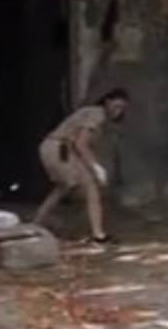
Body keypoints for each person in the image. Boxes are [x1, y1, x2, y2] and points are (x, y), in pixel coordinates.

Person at [32, 87, 129, 243]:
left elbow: (79, 145)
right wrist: (95, 167)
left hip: (54, 147)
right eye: (116, 106)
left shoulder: (93, 114)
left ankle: (36, 222)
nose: (118, 111)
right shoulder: (97, 114)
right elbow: (80, 144)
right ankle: (98, 234)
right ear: (107, 102)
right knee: (91, 187)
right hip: (60, 148)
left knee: (64, 187)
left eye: (122, 109)